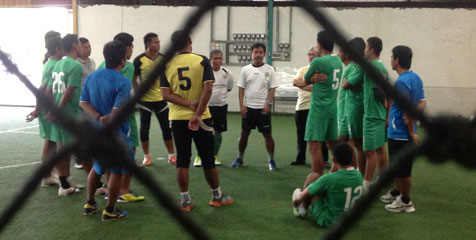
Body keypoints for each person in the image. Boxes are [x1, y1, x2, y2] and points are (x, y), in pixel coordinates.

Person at [160, 31, 233, 212]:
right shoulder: (201, 61)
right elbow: (208, 89)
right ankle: (216, 196)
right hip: (202, 118)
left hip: (177, 118)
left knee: (182, 160)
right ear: (189, 42)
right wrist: (197, 114)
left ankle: (185, 201)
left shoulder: (166, 64)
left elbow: (165, 95)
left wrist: (187, 104)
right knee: (208, 159)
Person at [81, 40, 131, 221]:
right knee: (117, 171)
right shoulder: (123, 82)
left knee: (97, 167)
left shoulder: (92, 77)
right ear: (123, 60)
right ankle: (110, 209)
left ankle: (90, 203)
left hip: (96, 132)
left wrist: (97, 118)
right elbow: (117, 114)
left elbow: (83, 102)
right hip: (115, 135)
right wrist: (106, 118)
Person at [98, 32, 144, 202]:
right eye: (131, 46)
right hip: (122, 116)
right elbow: (122, 91)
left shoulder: (102, 64)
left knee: (110, 153)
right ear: (126, 48)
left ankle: (110, 187)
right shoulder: (128, 66)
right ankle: (123, 190)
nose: (132, 50)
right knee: (129, 151)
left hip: (103, 116)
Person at [380, 45, 425, 213]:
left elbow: (408, 108)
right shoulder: (416, 78)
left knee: (403, 169)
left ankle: (406, 201)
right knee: (398, 166)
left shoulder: (401, 82)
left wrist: (412, 131)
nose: (391, 60)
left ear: (397, 60)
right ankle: (397, 193)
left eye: (392, 57)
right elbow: (422, 102)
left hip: (400, 132)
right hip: (399, 131)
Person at [46, 34, 86, 196]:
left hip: (58, 111)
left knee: (63, 149)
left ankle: (65, 182)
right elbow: (69, 90)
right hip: (68, 113)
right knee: (75, 149)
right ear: (75, 46)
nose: (82, 46)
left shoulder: (57, 64)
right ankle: (94, 184)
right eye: (80, 44)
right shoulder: (75, 66)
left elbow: (49, 90)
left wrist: (51, 109)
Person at [292, 142, 363, 228]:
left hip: (330, 221)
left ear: (333, 160)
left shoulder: (329, 179)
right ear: (352, 159)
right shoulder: (359, 175)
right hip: (352, 221)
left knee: (313, 177)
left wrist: (298, 198)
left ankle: (302, 209)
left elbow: (306, 194)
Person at [232, 42, 278, 171]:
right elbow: (241, 89)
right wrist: (242, 106)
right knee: (244, 134)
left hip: (263, 110)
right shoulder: (245, 70)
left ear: (264, 54)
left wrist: (268, 104)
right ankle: (239, 158)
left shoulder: (270, 69)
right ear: (251, 54)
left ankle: (271, 161)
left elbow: (272, 89)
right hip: (249, 109)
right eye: (256, 52)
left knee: (267, 135)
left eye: (261, 52)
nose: (258, 55)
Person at [303, 31, 343, 175]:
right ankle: (341, 174)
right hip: (333, 108)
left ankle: (317, 182)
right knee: (332, 145)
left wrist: (312, 78)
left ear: (319, 44)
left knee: (314, 147)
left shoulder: (318, 61)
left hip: (318, 109)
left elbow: (306, 80)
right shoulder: (338, 61)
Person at [26, 34, 63, 187]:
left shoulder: (52, 63)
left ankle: (50, 174)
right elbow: (43, 89)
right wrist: (37, 109)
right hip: (49, 109)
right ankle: (47, 176)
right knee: (50, 142)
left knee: (52, 142)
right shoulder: (53, 65)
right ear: (57, 48)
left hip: (49, 108)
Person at [133, 32, 175, 166]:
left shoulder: (164, 59)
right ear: (148, 44)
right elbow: (134, 80)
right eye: (155, 42)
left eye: (158, 42)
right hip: (145, 101)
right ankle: (147, 156)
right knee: (144, 129)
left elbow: (170, 76)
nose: (158, 44)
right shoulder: (139, 60)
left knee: (166, 128)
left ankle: (172, 155)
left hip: (161, 99)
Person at [193, 49, 234, 167]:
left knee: (218, 132)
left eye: (219, 58)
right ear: (210, 60)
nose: (217, 61)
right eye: (215, 58)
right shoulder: (204, 72)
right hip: (206, 107)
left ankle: (214, 155)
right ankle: (199, 156)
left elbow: (229, 88)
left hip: (221, 107)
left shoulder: (227, 73)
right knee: (203, 132)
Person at [290, 46, 329, 167]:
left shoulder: (323, 70)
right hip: (302, 107)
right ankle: (300, 158)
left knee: (321, 135)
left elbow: (320, 88)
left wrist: (304, 84)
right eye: (309, 54)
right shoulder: (303, 70)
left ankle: (324, 159)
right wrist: (311, 82)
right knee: (301, 134)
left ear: (318, 57)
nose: (311, 57)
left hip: (318, 107)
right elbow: (295, 82)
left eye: (313, 54)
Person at [360, 37, 389, 192]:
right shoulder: (381, 67)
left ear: (371, 49)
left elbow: (379, 90)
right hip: (379, 113)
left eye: (365, 47)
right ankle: (382, 179)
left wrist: (382, 100)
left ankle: (366, 185)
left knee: (369, 151)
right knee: (379, 148)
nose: (364, 50)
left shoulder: (373, 67)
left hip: (372, 115)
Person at [342, 37, 367, 177]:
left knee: (359, 144)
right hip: (352, 107)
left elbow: (345, 85)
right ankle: (360, 173)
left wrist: (347, 82)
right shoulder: (356, 65)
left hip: (356, 108)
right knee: (358, 144)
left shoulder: (359, 66)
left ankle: (362, 176)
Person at [73, 37, 96, 169]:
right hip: (79, 101)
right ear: (78, 48)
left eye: (89, 46)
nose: (89, 49)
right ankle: (78, 158)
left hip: (91, 101)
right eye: (85, 47)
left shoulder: (92, 61)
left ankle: (88, 155)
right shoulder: (76, 63)